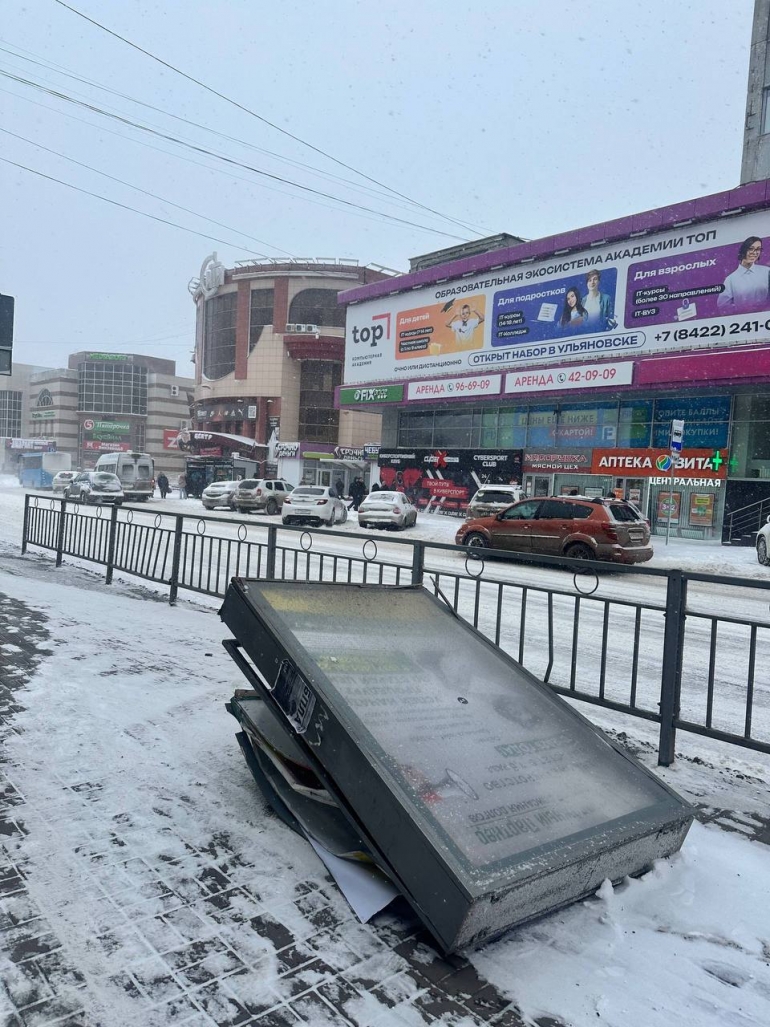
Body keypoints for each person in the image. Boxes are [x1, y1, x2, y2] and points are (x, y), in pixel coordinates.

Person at [717, 236, 770, 312]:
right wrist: (743, 309)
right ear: (744, 250)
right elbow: (723, 306)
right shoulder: (731, 279)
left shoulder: (767, 271)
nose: (754, 252)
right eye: (751, 248)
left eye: (758, 249)